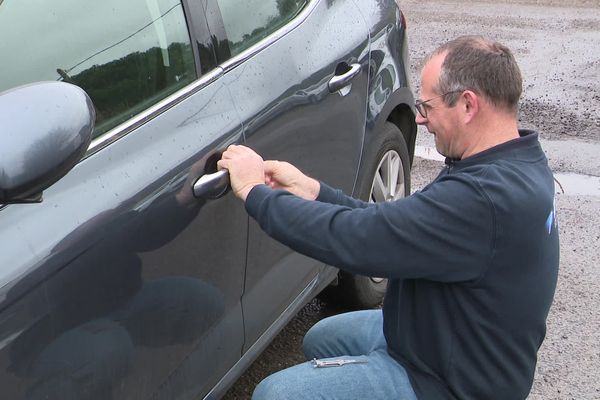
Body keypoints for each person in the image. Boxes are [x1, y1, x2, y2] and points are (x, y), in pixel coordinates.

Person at [218, 35, 559, 400]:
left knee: (276, 394)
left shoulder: (482, 199)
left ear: (467, 105)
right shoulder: (515, 160)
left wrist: (255, 193)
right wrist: (314, 191)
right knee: (323, 337)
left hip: (449, 382)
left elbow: (357, 239)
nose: (419, 118)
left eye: (426, 106)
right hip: (444, 338)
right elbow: (394, 225)